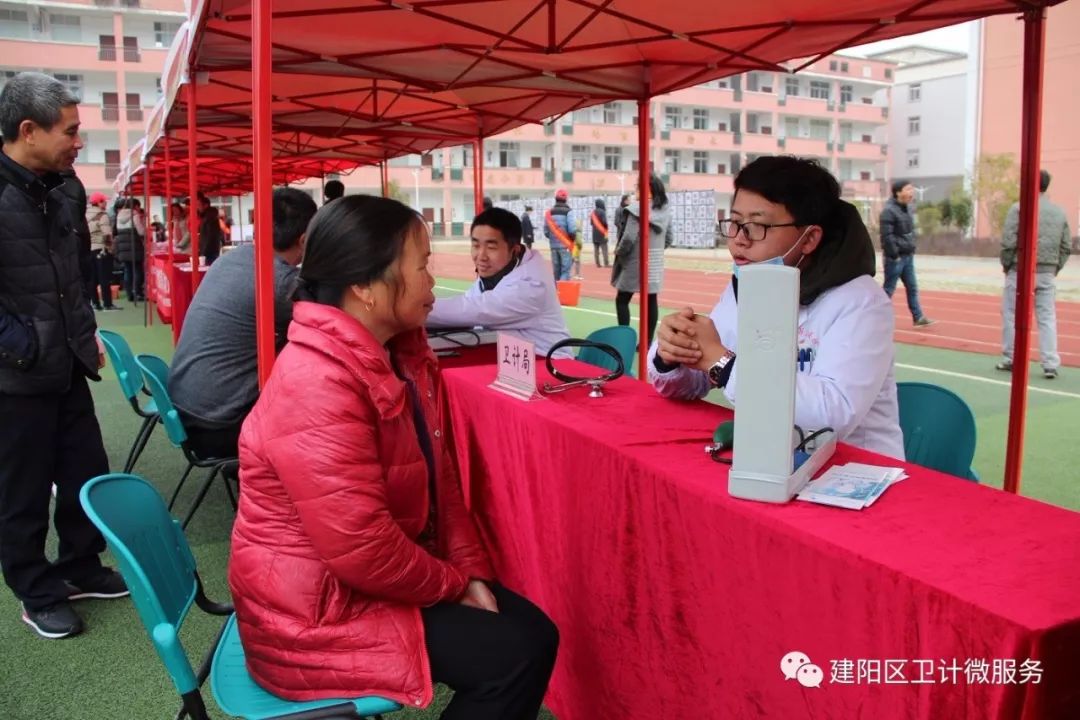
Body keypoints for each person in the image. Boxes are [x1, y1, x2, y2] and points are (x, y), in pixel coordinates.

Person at [229, 195, 559, 718]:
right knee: (513, 657)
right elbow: (362, 549)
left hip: (360, 581)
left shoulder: (400, 352)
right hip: (314, 613)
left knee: (536, 634)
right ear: (364, 287)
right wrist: (452, 585)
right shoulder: (318, 383)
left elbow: (440, 484)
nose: (433, 281)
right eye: (423, 266)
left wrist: (470, 571)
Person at [649, 156, 903, 458]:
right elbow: (696, 381)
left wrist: (722, 363)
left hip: (853, 473)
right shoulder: (749, 285)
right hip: (769, 457)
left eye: (757, 226)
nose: (740, 241)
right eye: (735, 223)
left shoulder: (860, 301)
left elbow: (833, 415)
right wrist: (674, 356)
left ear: (808, 238)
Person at [0, 72, 128, 640]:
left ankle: (80, 566)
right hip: (15, 374)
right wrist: (20, 345)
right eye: (70, 131)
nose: (79, 143)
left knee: (84, 472)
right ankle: (36, 589)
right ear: (28, 131)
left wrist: (83, 332)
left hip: (69, 362)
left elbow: (72, 274)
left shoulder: (66, 186)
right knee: (21, 491)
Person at [168, 188, 318, 461]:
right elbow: (330, 325)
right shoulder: (279, 281)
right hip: (219, 425)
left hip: (185, 411)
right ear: (305, 239)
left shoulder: (229, 260)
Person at [427, 207, 572, 358]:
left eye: (491, 247)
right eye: (476, 246)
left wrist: (412, 309)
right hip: (516, 363)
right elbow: (469, 307)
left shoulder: (532, 285)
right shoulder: (498, 272)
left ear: (514, 250)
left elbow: (475, 310)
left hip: (552, 366)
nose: (481, 256)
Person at [998, 169, 1072, 379]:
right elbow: (1066, 245)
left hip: (1020, 270)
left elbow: (1009, 242)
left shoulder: (1018, 208)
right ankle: (1050, 363)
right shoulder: (1059, 212)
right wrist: (1055, 267)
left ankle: (1012, 358)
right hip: (1047, 271)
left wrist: (1007, 265)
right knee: (1047, 316)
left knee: (1011, 313)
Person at [611, 174, 673, 345]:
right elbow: (669, 238)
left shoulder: (636, 209)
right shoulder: (664, 211)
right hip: (653, 262)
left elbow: (629, 237)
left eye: (637, 187)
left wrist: (619, 251)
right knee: (651, 300)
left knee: (622, 299)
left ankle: (625, 339)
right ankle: (646, 342)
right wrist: (656, 251)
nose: (635, 191)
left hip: (633, 262)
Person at [880, 180, 934, 327]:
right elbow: (887, 236)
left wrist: (911, 247)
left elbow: (910, 232)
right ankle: (872, 318)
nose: (912, 192)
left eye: (912, 189)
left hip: (908, 256)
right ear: (898, 192)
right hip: (895, 258)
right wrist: (895, 255)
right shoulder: (889, 211)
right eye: (908, 189)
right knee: (888, 289)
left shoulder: (908, 209)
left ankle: (918, 317)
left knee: (912, 287)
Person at [86, 191, 119, 311]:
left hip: (90, 250)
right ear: (98, 202)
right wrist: (111, 249)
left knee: (93, 279)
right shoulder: (102, 215)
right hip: (102, 249)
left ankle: (95, 303)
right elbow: (107, 235)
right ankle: (107, 304)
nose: (105, 203)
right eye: (103, 201)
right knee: (104, 278)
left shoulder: (85, 215)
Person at [114, 197, 146, 302]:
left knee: (127, 270)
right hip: (134, 246)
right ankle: (137, 292)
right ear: (135, 206)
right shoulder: (135, 215)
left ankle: (129, 293)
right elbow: (141, 231)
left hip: (123, 248)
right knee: (138, 270)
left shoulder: (119, 215)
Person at [543, 188, 576, 281]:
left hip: (553, 246)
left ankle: (555, 292)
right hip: (565, 246)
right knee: (565, 271)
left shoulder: (549, 213)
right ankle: (561, 293)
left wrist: (553, 238)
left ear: (555, 198)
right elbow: (572, 230)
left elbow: (546, 231)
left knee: (556, 271)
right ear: (566, 199)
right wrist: (571, 240)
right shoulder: (569, 211)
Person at [197, 192, 224, 266]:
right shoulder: (207, 216)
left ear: (205, 205)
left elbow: (210, 236)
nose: (197, 207)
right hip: (209, 250)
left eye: (199, 205)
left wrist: (203, 252)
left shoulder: (209, 217)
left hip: (209, 252)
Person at [591, 198, 610, 268]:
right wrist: (606, 229)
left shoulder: (593, 212)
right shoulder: (602, 212)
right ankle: (606, 263)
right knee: (604, 248)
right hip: (602, 233)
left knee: (596, 250)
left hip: (594, 233)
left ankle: (598, 264)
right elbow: (604, 222)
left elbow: (591, 223)